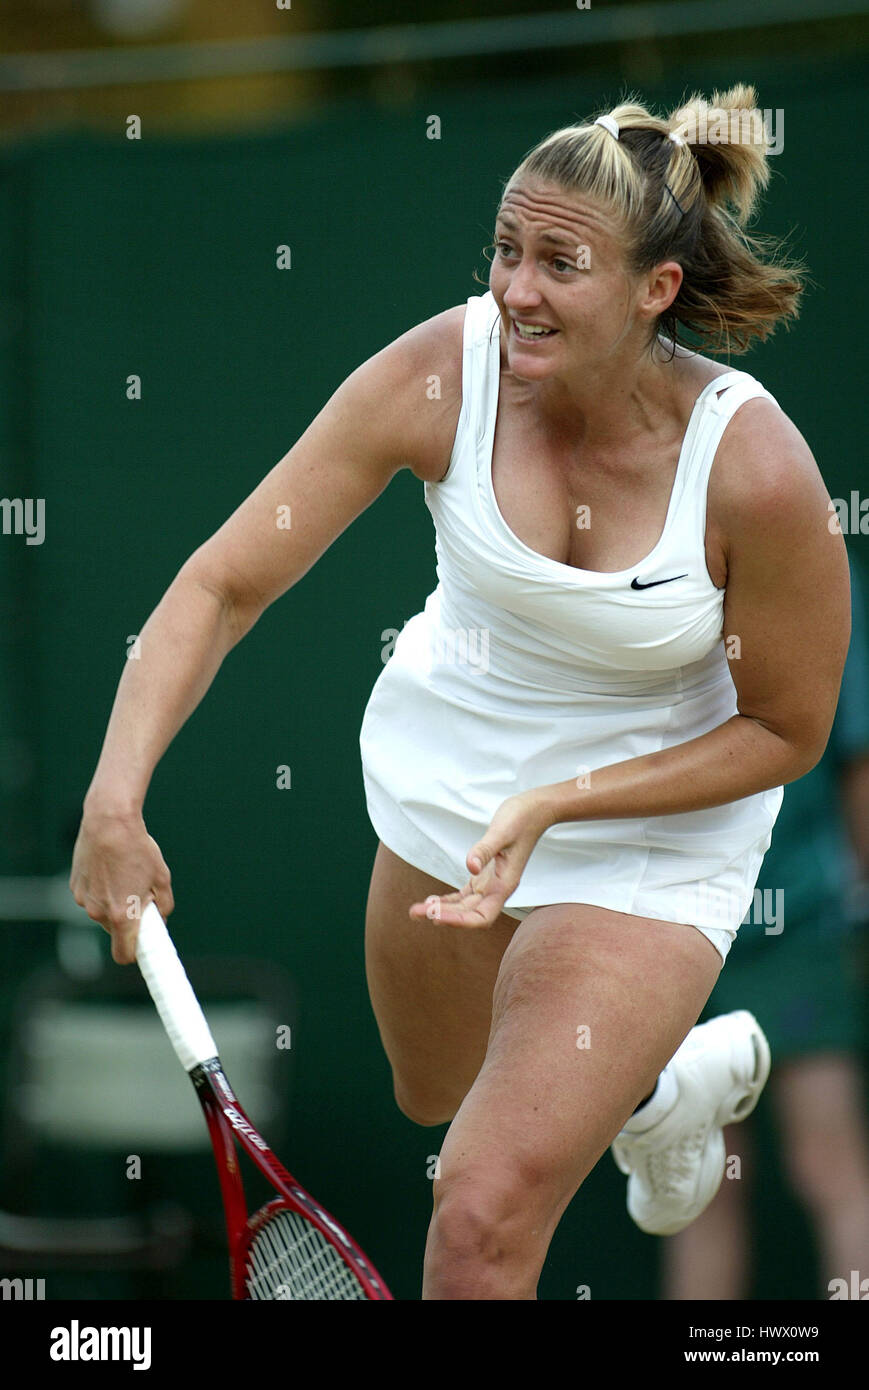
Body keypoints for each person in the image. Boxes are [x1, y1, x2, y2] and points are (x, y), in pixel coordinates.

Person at [70, 83, 850, 1300]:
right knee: (433, 1091)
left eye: (558, 262)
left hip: (648, 834)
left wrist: (557, 802)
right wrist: (114, 800)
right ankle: (655, 1087)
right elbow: (224, 582)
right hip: (446, 793)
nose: (513, 288)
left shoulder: (752, 467)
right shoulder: (444, 371)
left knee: (477, 1213)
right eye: (502, 247)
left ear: (655, 290)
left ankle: (631, 1062)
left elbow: (786, 728)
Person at [662, 555, 869, 1300]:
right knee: (693, 1187)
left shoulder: (821, 573)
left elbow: (857, 756)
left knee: (828, 1164)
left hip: (798, 925)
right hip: (663, 931)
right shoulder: (628, 567)